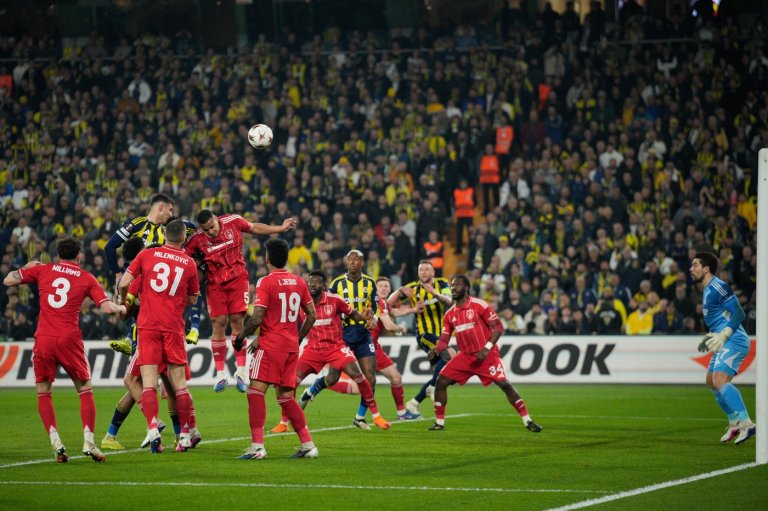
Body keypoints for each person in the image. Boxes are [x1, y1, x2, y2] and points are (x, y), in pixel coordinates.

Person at [3, 237, 126, 462]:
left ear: (58, 254)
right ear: (79, 255)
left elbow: (8, 280)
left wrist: (27, 266)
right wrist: (121, 308)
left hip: (44, 338)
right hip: (69, 339)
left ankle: (56, 442)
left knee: (43, 391)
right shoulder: (86, 277)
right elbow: (107, 308)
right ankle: (88, 442)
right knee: (85, 389)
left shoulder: (43, 269)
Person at [101, 239, 201, 451]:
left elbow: (126, 309)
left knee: (134, 381)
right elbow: (193, 298)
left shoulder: (141, 273)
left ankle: (152, 426)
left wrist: (120, 305)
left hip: (149, 332)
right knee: (176, 386)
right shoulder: (179, 266)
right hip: (173, 331)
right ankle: (187, 432)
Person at [185, 209, 297, 393]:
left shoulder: (233, 221)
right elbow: (185, 258)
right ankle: (220, 375)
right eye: (206, 230)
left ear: (216, 218)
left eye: (212, 226)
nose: (211, 231)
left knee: (238, 321)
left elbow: (255, 228)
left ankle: (241, 372)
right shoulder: (197, 239)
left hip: (238, 280)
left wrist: (280, 228)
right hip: (215, 284)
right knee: (219, 324)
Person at [271, 270, 391, 432]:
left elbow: (353, 314)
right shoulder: (300, 302)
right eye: (310, 281)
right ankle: (284, 423)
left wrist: (364, 318)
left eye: (317, 282)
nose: (312, 285)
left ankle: (376, 416)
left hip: (335, 348)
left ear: (324, 285)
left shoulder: (335, 300)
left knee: (360, 377)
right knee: (291, 383)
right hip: (313, 350)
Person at [233, 239, 318, 459]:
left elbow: (257, 317)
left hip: (270, 346)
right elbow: (312, 315)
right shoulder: (299, 281)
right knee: (286, 397)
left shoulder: (266, 282)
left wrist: (240, 337)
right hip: (290, 348)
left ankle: (257, 447)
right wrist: (298, 338)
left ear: (267, 259)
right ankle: (308, 445)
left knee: (255, 392)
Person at [427, 275, 542, 433]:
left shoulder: (479, 305)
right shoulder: (449, 315)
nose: (453, 288)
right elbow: (445, 338)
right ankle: (439, 423)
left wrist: (487, 348)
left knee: (504, 384)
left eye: (457, 285)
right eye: (452, 285)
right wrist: (437, 349)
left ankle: (527, 420)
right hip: (465, 356)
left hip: (487, 355)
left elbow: (498, 327)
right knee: (441, 381)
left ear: (467, 288)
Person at [104, 193, 203, 353]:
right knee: (132, 313)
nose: (171, 214)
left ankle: (131, 342)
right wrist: (117, 275)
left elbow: (191, 228)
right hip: (132, 281)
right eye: (170, 210)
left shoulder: (167, 231)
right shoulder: (136, 224)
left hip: (153, 284)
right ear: (161, 207)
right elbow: (109, 247)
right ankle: (132, 343)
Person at [690, 252, 756, 445]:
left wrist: (724, 334)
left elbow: (739, 314)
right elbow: (721, 317)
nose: (691, 269)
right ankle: (734, 423)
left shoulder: (718, 286)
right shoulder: (707, 290)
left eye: (695, 265)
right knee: (711, 382)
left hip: (734, 339)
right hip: (722, 340)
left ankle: (747, 423)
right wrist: (710, 335)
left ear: (706, 268)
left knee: (719, 380)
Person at [389, 260, 454, 417]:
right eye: (421, 270)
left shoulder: (442, 283)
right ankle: (431, 388)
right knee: (452, 356)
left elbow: (449, 300)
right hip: (425, 335)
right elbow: (387, 305)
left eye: (427, 269)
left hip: (441, 335)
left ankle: (414, 403)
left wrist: (435, 293)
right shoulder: (412, 288)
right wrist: (399, 290)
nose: (424, 272)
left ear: (433, 272)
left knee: (443, 375)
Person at [328, 250, 380, 429]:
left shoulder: (370, 283)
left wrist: (374, 318)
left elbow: (376, 306)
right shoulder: (336, 284)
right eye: (349, 259)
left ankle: (360, 417)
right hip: (343, 334)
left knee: (371, 379)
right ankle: (310, 392)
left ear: (362, 262)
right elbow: (328, 307)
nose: (351, 262)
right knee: (332, 378)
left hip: (363, 334)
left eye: (355, 259)